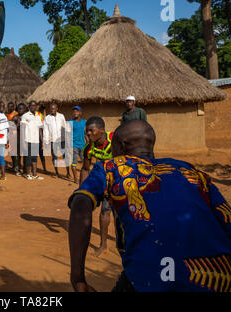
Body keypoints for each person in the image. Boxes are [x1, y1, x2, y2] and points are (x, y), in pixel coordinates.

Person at [68, 120, 231, 292]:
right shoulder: (191, 171)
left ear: (120, 147)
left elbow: (81, 203)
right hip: (218, 277)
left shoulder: (111, 166)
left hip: (149, 278)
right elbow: (226, 217)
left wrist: (78, 278)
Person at [80, 116, 114, 257]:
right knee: (104, 211)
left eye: (91, 131)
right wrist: (81, 191)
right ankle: (103, 245)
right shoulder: (89, 148)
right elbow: (85, 169)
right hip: (103, 180)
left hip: (121, 179)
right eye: (86, 131)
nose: (88, 134)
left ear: (101, 130)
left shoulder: (115, 139)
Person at [43, 103, 69, 178]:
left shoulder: (61, 116)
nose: (52, 110)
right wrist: (46, 141)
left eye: (54, 108)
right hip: (53, 140)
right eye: (51, 109)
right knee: (54, 157)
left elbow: (65, 127)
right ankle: (56, 173)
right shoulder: (47, 118)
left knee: (65, 156)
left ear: (57, 108)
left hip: (62, 139)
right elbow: (46, 130)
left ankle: (68, 173)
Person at [20, 100, 44, 180]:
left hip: (36, 141)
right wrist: (23, 142)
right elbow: (22, 129)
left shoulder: (38, 116)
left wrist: (42, 141)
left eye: (34, 105)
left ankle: (35, 174)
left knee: (34, 158)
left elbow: (40, 129)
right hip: (27, 140)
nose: (33, 107)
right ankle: (28, 174)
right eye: (31, 105)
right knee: (28, 158)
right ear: (29, 107)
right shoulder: (25, 116)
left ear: (36, 106)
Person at [67, 106, 87, 184]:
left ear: (80, 113)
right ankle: (76, 178)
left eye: (77, 111)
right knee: (74, 162)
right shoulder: (70, 122)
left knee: (85, 162)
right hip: (73, 145)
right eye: (74, 111)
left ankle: (84, 177)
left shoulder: (84, 122)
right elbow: (68, 135)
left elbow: (85, 133)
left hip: (82, 145)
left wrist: (88, 143)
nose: (75, 113)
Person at [11, 103, 27, 176]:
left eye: (22, 108)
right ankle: (17, 169)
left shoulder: (27, 117)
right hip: (17, 139)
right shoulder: (15, 117)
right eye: (19, 109)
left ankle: (25, 169)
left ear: (25, 109)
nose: (21, 110)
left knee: (25, 155)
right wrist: (17, 125)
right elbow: (10, 127)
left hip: (26, 139)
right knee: (17, 155)